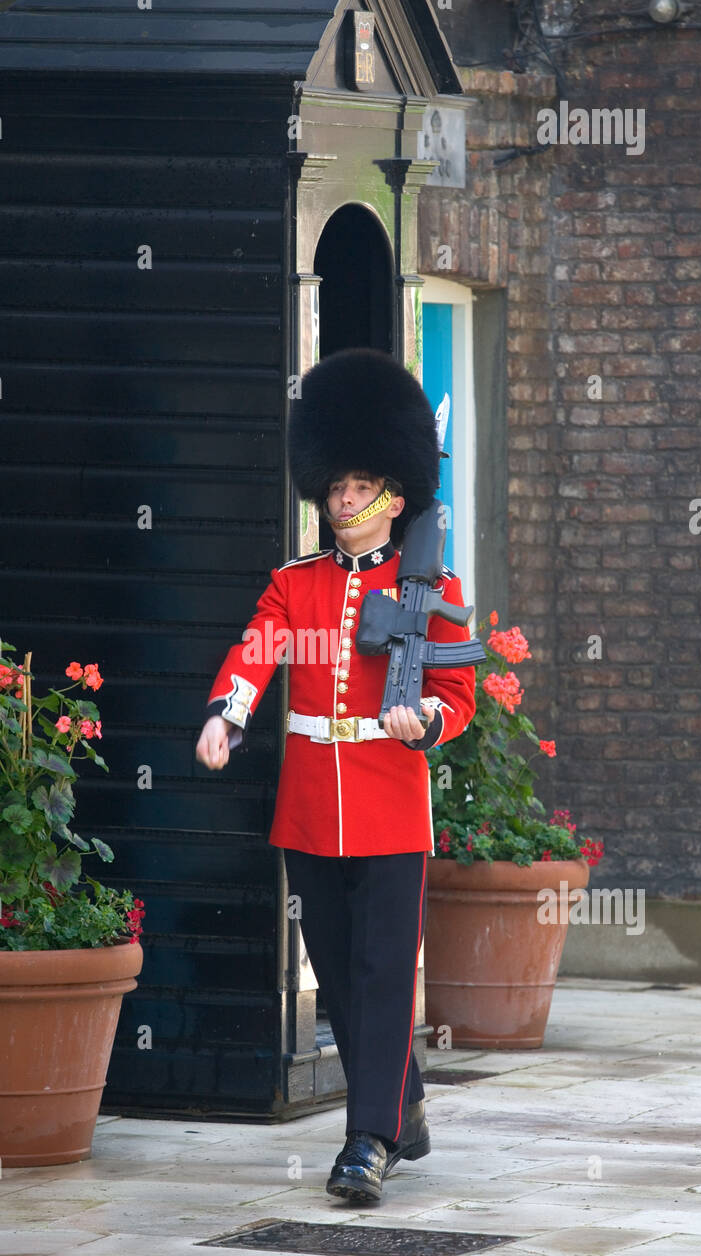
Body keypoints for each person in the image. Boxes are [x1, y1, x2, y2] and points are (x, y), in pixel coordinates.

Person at [195, 348, 477, 1203]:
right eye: (337, 487)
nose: (344, 500)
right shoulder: (297, 584)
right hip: (311, 808)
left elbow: (457, 694)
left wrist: (423, 720)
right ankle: (408, 1104)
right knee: (341, 978)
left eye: (360, 486)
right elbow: (257, 648)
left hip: (392, 806)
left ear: (395, 491)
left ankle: (369, 1141)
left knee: (386, 971)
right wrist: (226, 714)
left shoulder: (434, 585)